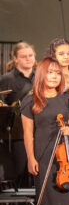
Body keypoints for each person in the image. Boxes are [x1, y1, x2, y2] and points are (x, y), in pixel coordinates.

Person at [21, 57, 69, 205]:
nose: (54, 76)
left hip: (64, 158)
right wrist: (31, 157)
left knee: (64, 199)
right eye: (50, 72)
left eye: (57, 73)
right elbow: (27, 133)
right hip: (42, 155)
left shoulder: (67, 99)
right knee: (44, 202)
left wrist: (68, 131)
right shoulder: (31, 100)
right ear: (41, 75)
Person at [0, 42, 36, 187]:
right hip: (17, 135)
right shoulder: (7, 79)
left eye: (31, 55)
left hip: (39, 132)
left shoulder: (42, 77)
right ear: (15, 59)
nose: (28, 59)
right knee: (21, 175)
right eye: (23, 56)